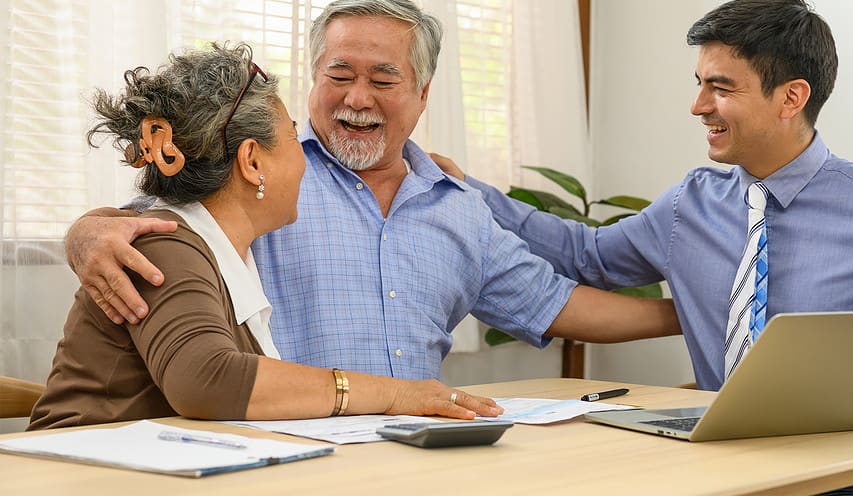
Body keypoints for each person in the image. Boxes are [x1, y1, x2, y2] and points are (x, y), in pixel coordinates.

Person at [435, 0, 853, 494]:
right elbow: (587, 256)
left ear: (791, 97)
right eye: (700, 84)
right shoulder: (692, 203)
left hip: (843, 474)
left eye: (720, 87)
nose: (698, 106)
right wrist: (465, 190)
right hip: (717, 461)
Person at [62, 0, 682, 382]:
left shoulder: (459, 207)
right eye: (339, 74)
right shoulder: (261, 174)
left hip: (418, 457)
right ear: (312, 78)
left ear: (423, 93)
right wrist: (86, 230)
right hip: (283, 452)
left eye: (383, 79)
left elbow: (555, 302)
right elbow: (155, 216)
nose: (357, 99)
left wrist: (696, 315)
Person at [30, 43, 505, 430]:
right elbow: (206, 379)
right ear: (253, 162)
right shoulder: (165, 247)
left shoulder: (220, 250)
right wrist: (398, 393)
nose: (305, 160)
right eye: (294, 137)